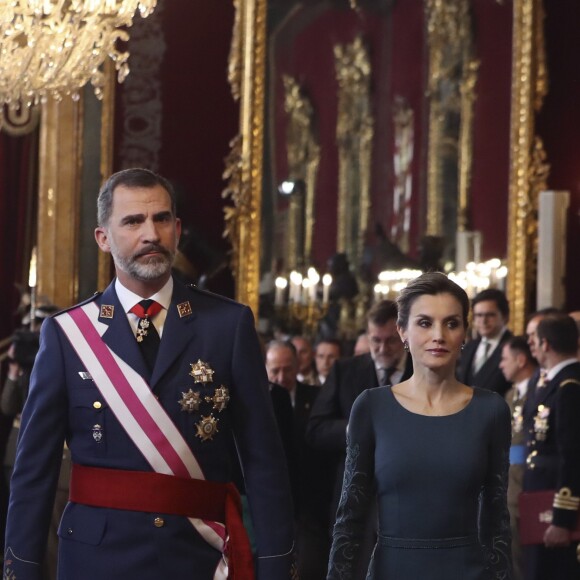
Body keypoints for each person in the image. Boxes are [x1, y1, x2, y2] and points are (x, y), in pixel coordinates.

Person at [4, 168, 295, 580]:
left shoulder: (227, 325)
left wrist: (277, 566)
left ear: (177, 230)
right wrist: (22, 570)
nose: (151, 234)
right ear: (103, 238)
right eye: (133, 221)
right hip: (96, 560)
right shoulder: (67, 334)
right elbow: (34, 473)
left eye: (161, 219)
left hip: (197, 555)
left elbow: (264, 459)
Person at [327, 272, 512, 579]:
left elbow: (497, 524)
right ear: (402, 330)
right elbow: (349, 518)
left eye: (451, 323)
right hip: (392, 570)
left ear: (464, 333)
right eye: (424, 322)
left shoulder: (490, 410)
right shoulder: (372, 407)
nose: (438, 335)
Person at [307, 299, 413, 580]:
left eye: (389, 340)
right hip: (356, 494)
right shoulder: (346, 371)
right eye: (375, 340)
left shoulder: (423, 369)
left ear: (403, 334)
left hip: (411, 493)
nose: (381, 348)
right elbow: (316, 429)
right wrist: (358, 428)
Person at [265, 340, 332, 580]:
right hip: (274, 502)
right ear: (265, 369)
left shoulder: (318, 398)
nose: (282, 376)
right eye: (275, 370)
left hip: (311, 506)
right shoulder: (259, 403)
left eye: (288, 369)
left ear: (298, 367)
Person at [522, 313, 580, 580]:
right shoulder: (553, 382)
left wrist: (561, 519)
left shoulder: (569, 386)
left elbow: (572, 456)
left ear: (545, 344)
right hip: (541, 504)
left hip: (555, 512)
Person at [499, 336, 538, 580]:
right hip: (509, 484)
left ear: (521, 359)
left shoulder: (540, 390)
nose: (501, 365)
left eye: (504, 359)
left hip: (531, 483)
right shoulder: (510, 394)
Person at [457, 288, 513, 396]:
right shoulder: (469, 347)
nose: (483, 321)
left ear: (505, 316)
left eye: (490, 315)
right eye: (478, 315)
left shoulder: (515, 348)